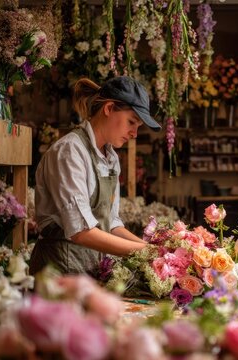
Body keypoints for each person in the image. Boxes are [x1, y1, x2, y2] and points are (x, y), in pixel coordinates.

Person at [29, 76, 161, 276]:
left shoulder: (111, 159)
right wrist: (148, 252)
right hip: (59, 273)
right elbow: (81, 232)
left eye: (138, 126)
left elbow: (112, 223)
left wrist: (159, 252)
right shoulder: (70, 151)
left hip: (91, 269)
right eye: (131, 122)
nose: (134, 133)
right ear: (108, 109)